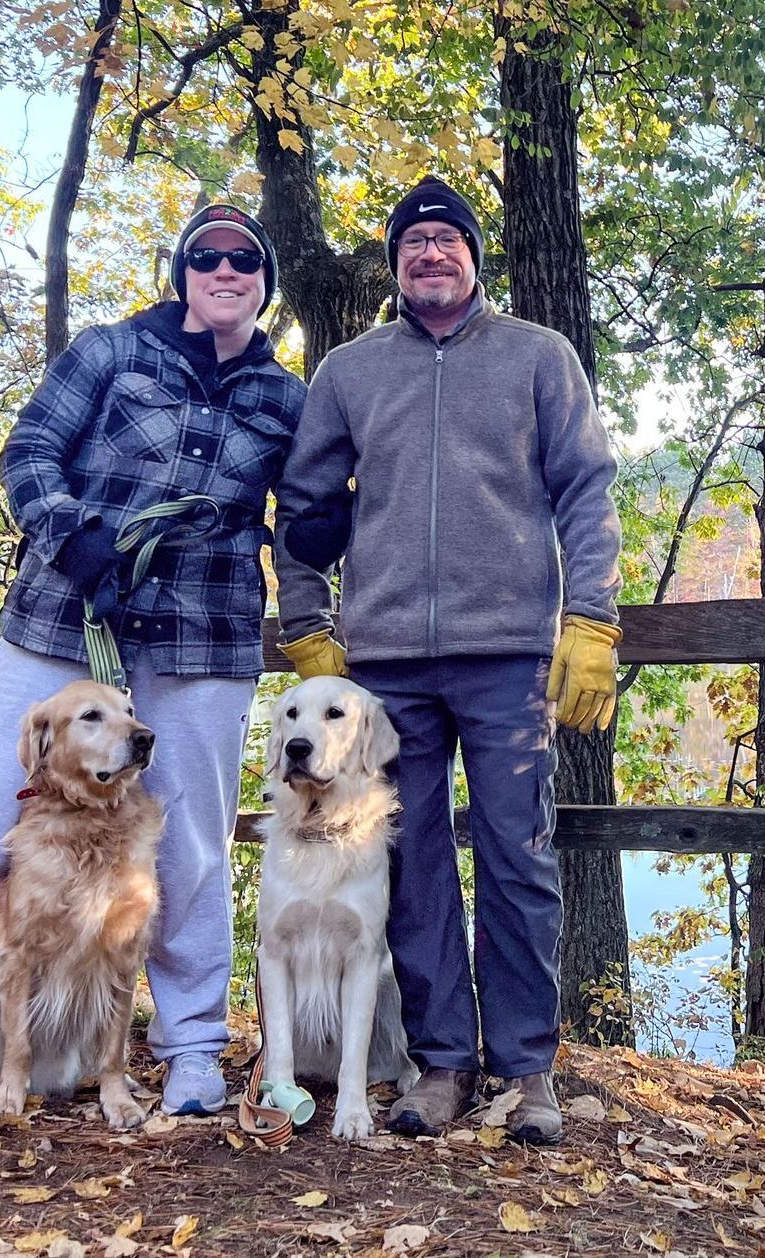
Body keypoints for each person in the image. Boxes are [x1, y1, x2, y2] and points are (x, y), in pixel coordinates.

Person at [0, 204, 306, 1128]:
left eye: (243, 259)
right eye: (204, 256)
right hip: (61, 622)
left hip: (201, 638)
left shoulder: (283, 399)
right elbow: (29, 452)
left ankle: (194, 1049)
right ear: (182, 272)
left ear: (263, 280)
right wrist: (81, 546)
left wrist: (322, 540)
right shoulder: (110, 352)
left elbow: (311, 506)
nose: (223, 269)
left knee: (195, 851)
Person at [272, 175, 622, 1144]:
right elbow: (301, 512)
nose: (431, 252)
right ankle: (440, 1067)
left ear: (475, 256)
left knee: (519, 856)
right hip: (385, 669)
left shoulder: (538, 359)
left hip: (511, 658)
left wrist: (589, 617)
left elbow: (588, 491)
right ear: (395, 264)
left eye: (447, 238)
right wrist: (310, 637)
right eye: (414, 241)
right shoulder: (350, 370)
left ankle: (526, 1071)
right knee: (412, 862)